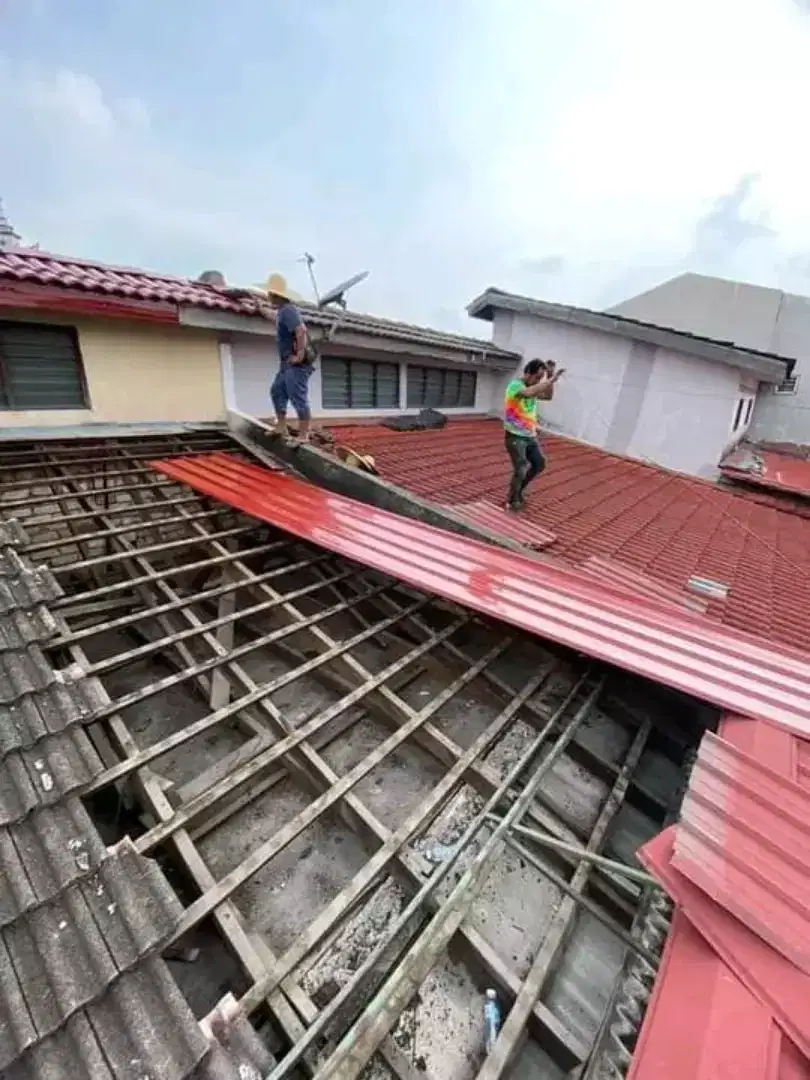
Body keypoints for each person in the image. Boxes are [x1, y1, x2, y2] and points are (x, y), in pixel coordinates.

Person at [503, 358, 564, 511]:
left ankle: (518, 491)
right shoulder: (515, 386)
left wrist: (550, 379)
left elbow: (548, 396)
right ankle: (512, 499)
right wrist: (551, 379)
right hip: (515, 436)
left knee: (539, 464)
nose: (538, 381)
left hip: (530, 436)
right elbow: (530, 392)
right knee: (521, 468)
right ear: (528, 373)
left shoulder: (533, 387)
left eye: (540, 379)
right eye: (537, 377)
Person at [267, 275, 314, 441]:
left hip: (296, 364)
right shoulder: (282, 312)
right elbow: (275, 319)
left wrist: (299, 355)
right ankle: (281, 426)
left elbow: (300, 330)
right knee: (277, 391)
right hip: (286, 363)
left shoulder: (288, 310)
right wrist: (260, 309)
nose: (267, 296)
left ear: (275, 295)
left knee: (297, 396)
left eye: (269, 294)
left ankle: (303, 434)